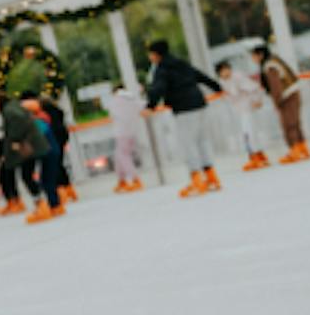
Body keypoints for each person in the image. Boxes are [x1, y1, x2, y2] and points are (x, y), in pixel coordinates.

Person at [145, 40, 223, 197]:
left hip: (184, 108)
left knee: (189, 144)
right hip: (199, 104)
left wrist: (150, 106)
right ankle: (211, 177)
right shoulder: (180, 62)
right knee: (202, 140)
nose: (149, 57)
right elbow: (199, 75)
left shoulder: (162, 68)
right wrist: (217, 87)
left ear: (156, 54)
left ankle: (197, 180)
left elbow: (158, 87)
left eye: (150, 54)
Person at [0, 89, 58, 222]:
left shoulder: (13, 112)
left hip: (33, 149)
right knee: (39, 177)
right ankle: (52, 205)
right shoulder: (27, 114)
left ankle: (44, 206)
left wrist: (15, 140)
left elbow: (18, 127)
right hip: (41, 148)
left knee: (30, 176)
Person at [251, 43, 309, 165]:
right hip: (292, 92)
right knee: (295, 123)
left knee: (288, 124)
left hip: (286, 96)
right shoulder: (274, 59)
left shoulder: (269, 65)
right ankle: (302, 149)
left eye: (254, 56)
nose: (253, 59)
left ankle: (295, 150)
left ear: (260, 55)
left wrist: (277, 102)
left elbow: (275, 86)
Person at [222, 62, 272, 173]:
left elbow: (253, 87)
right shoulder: (226, 81)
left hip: (248, 108)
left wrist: (257, 100)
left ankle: (255, 157)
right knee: (250, 133)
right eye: (222, 71)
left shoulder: (237, 77)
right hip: (242, 110)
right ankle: (259, 156)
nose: (225, 73)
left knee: (248, 134)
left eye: (226, 69)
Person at [105, 79, 148, 192]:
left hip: (121, 132)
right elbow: (143, 106)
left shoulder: (115, 101)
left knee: (123, 156)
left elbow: (111, 113)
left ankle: (135, 179)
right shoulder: (131, 98)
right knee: (119, 156)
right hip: (132, 131)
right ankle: (121, 180)